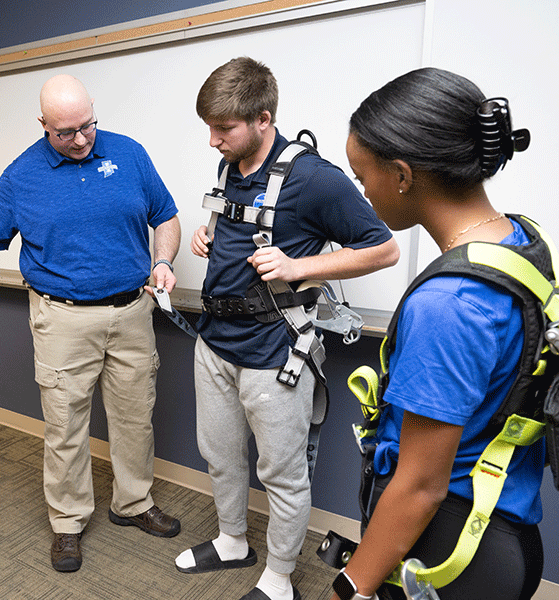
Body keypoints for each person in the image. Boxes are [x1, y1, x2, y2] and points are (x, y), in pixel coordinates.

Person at [0, 74, 182, 573]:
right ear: (43, 124)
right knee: (66, 426)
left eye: (87, 126)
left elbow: (167, 216)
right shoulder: (21, 175)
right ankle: (68, 523)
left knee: (135, 416)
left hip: (134, 311)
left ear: (94, 110)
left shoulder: (129, 153)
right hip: (62, 319)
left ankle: (132, 504)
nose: (81, 139)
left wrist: (164, 261)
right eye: (65, 132)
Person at [175, 57, 400, 600]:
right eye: (209, 127)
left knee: (282, 474)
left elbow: (384, 248)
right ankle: (233, 541)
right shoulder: (232, 165)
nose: (213, 140)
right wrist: (208, 235)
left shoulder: (315, 178)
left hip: (276, 354)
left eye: (223, 129)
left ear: (262, 118)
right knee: (221, 456)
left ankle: (279, 577)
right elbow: (242, 225)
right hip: (215, 343)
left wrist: (302, 267)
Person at [328, 68, 546, 600]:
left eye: (362, 177)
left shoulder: (446, 306)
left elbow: (421, 487)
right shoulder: (517, 241)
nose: (362, 190)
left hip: (454, 545)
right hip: (506, 524)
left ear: (402, 175)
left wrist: (348, 588)